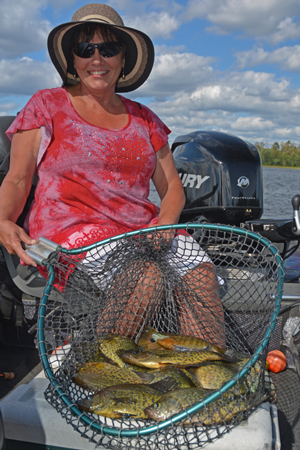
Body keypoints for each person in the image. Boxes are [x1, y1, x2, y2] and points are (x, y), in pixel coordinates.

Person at [0, 3, 224, 343]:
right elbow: (17, 178)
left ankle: (207, 381)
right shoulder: (46, 105)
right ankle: (99, 373)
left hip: (141, 230)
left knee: (201, 277)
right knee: (146, 277)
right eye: (85, 49)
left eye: (108, 49)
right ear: (73, 60)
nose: (97, 59)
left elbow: (173, 188)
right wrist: (3, 219)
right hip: (69, 229)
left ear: (123, 59)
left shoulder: (146, 119)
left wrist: (165, 225)